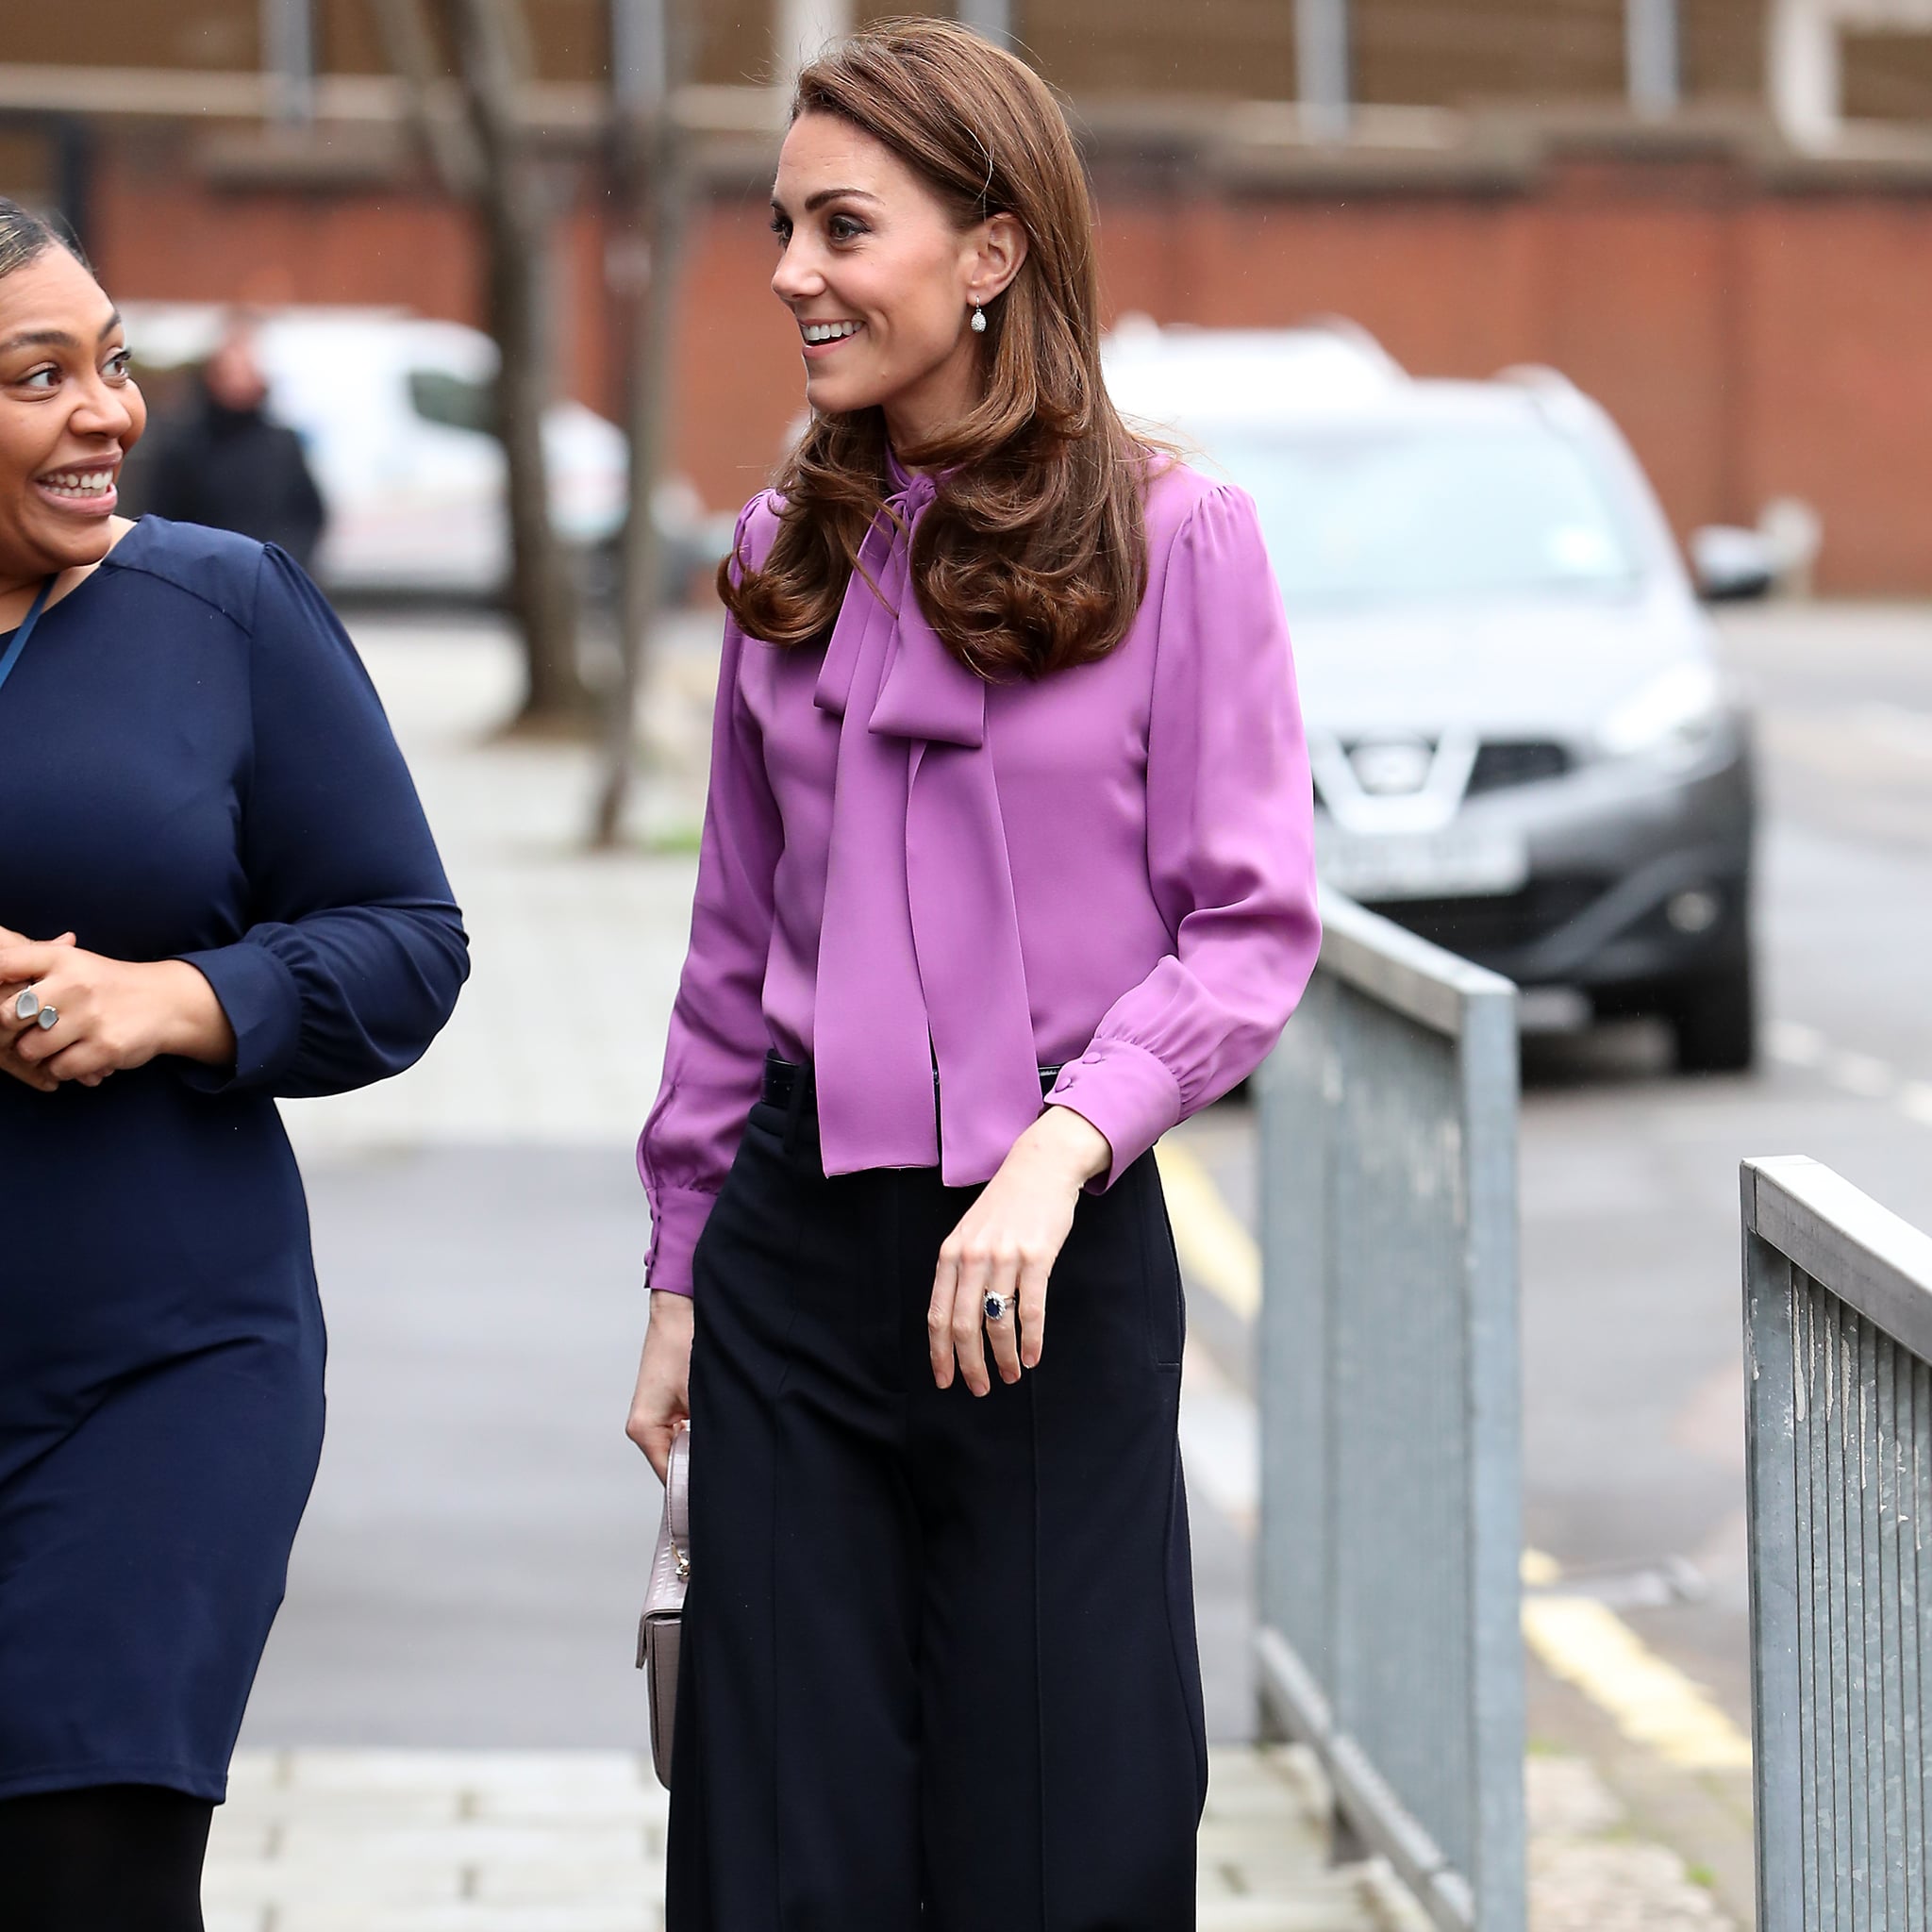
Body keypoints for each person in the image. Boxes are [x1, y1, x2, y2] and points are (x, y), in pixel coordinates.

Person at [625, 22, 1320, 1931]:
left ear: (991, 252)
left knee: (1064, 1840)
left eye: (843, 227)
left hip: (1048, 1269)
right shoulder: (782, 554)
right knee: (781, 1851)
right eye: (782, 224)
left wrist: (1061, 1142)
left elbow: (1252, 923)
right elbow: (732, 945)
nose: (790, 272)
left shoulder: (1185, 544)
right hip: (790, 1257)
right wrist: (683, 1268)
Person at [0, 204, 467, 1926]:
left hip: (164, 1370)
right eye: (37, 375)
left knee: (82, 1867)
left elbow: (410, 938)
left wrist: (174, 1000)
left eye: (112, 361)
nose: (105, 411)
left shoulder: (224, 607)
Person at [142, 312, 326, 571]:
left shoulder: (283, 444)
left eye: (246, 370)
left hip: (273, 580)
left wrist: (285, 566)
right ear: (213, 375)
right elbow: (162, 520)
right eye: (230, 371)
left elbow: (309, 516)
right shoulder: (185, 446)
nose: (237, 382)